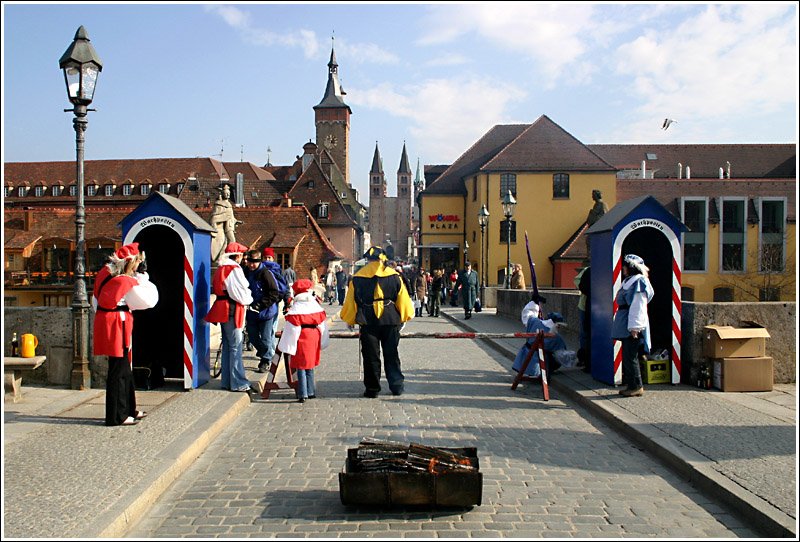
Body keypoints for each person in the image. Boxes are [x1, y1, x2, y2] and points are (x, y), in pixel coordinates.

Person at [92, 242, 159, 426]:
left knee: (123, 369)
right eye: (137, 262)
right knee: (118, 370)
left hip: (108, 320)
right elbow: (147, 300)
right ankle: (116, 416)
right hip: (117, 323)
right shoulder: (124, 281)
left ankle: (128, 408)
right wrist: (144, 276)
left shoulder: (105, 274)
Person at [341, 246, 414, 398]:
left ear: (368, 259)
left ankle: (372, 388)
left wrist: (350, 319)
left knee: (370, 356)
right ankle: (396, 386)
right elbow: (403, 299)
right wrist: (404, 316)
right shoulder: (395, 276)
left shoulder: (358, 278)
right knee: (391, 354)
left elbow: (351, 300)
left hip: (368, 320)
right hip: (390, 319)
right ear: (383, 259)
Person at [205, 242, 254, 393]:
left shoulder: (222, 267)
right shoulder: (233, 269)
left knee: (228, 346)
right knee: (235, 347)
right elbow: (239, 292)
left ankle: (227, 381)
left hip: (223, 308)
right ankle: (238, 382)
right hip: (231, 309)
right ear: (237, 255)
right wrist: (249, 300)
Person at [277, 279, 330, 403]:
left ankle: (303, 393)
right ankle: (311, 391)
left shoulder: (296, 308)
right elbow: (323, 324)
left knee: (301, 366)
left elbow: (292, 328)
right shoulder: (315, 305)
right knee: (310, 365)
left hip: (301, 336)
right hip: (314, 336)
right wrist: (322, 340)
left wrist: (288, 345)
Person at [611, 254, 654, 397]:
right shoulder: (630, 282)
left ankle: (636, 385)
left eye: (625, 266)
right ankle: (631, 384)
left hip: (632, 324)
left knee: (631, 356)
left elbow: (638, 307)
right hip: (626, 322)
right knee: (628, 356)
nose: (623, 268)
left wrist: (635, 327)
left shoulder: (639, 282)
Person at [243, 250, 281, 374]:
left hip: (266, 312)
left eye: (254, 262)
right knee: (252, 336)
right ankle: (265, 353)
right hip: (251, 312)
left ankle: (265, 361)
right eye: (250, 262)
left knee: (265, 339)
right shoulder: (246, 271)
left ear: (259, 261)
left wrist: (260, 305)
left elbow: (274, 293)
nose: (251, 265)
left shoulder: (266, 274)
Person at [513, 311, 568, 379]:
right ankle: (543, 373)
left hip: (525, 354)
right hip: (537, 361)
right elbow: (563, 352)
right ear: (557, 325)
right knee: (552, 355)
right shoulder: (556, 337)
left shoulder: (533, 321)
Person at [209, 184, 241, 264]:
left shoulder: (229, 204)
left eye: (229, 193)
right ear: (222, 194)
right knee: (231, 241)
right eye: (226, 193)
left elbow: (231, 217)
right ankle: (224, 258)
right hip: (223, 229)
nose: (228, 195)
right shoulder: (219, 204)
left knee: (231, 242)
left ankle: (226, 258)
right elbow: (214, 217)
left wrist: (236, 221)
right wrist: (224, 217)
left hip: (229, 227)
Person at [575, 261, 592, 373]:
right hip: (587, 306)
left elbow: (579, 284)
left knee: (585, 334)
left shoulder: (588, 270)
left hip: (586, 306)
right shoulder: (588, 270)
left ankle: (585, 360)